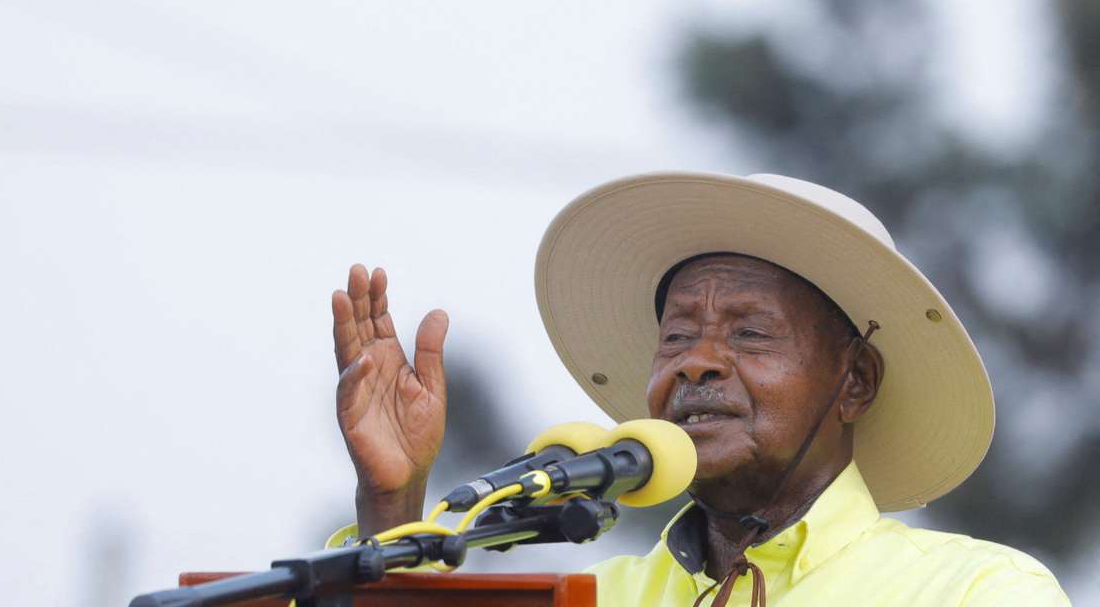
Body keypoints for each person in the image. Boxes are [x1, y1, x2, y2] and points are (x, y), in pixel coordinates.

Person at [327, 172, 1071, 606]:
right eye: (677, 337)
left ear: (855, 380)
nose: (696, 364)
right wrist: (392, 501)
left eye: (749, 333)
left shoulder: (977, 593)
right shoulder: (600, 598)